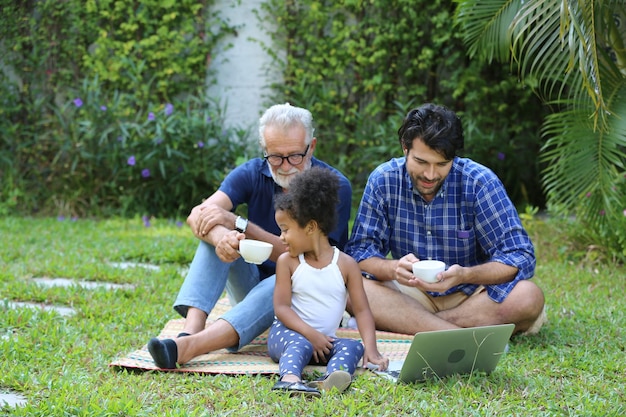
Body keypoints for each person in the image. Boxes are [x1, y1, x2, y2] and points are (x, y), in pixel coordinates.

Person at [147, 103, 352, 369]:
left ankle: (189, 347)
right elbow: (197, 214)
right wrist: (223, 236)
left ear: (311, 147)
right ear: (264, 150)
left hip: (306, 300)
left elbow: (311, 259)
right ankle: (190, 331)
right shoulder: (253, 172)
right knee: (215, 236)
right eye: (275, 157)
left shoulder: (334, 186)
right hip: (253, 289)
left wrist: (239, 223)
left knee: (284, 274)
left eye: (295, 156)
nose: (286, 166)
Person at [344, 103, 546, 336]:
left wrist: (466, 274)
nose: (430, 175)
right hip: (410, 294)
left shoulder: (479, 182)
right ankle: (456, 334)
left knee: (528, 297)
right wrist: (392, 268)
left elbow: (520, 255)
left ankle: (417, 327)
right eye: (421, 162)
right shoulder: (383, 180)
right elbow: (360, 251)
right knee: (351, 291)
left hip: (471, 295)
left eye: (441, 164)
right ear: (405, 149)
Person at [268, 167, 389, 397]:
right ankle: (290, 379)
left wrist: (371, 351)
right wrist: (310, 335)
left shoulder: (346, 265)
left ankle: (332, 378)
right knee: (300, 344)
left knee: (354, 346)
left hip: (323, 342)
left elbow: (362, 311)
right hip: (287, 334)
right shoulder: (288, 262)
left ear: (311, 227)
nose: (281, 237)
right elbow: (281, 309)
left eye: (285, 230)